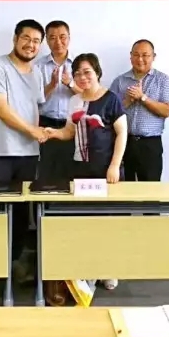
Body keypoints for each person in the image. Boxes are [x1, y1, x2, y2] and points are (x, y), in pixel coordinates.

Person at [45, 52, 127, 291]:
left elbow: (122, 132)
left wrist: (114, 165)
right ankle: (86, 267)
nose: (82, 77)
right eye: (78, 73)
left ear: (97, 73)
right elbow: (69, 132)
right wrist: (53, 133)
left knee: (107, 222)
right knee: (84, 220)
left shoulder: (111, 99)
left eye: (87, 72)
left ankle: (108, 269)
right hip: (80, 169)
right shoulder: (74, 101)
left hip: (106, 170)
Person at [0, 19, 46, 285]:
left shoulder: (37, 73)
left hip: (28, 153)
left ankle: (13, 263)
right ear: (15, 39)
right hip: (0, 151)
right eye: (26, 38)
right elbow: (0, 108)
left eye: (36, 41)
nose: (31, 45)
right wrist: (32, 131)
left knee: (21, 214)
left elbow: (35, 106)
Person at [109, 39, 169, 181]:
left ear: (153, 57)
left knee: (150, 188)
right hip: (124, 142)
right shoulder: (119, 81)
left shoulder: (163, 80)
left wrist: (142, 98)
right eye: (136, 55)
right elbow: (110, 113)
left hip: (150, 144)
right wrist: (127, 101)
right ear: (130, 56)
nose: (140, 59)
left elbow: (166, 111)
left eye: (145, 55)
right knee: (124, 186)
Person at [35, 20, 79, 181]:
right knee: (47, 169)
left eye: (62, 37)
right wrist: (52, 85)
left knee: (72, 169)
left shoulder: (80, 64)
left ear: (69, 38)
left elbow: (89, 95)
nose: (58, 42)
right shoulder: (38, 66)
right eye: (52, 38)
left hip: (73, 124)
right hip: (47, 123)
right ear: (46, 40)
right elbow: (35, 100)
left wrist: (71, 84)